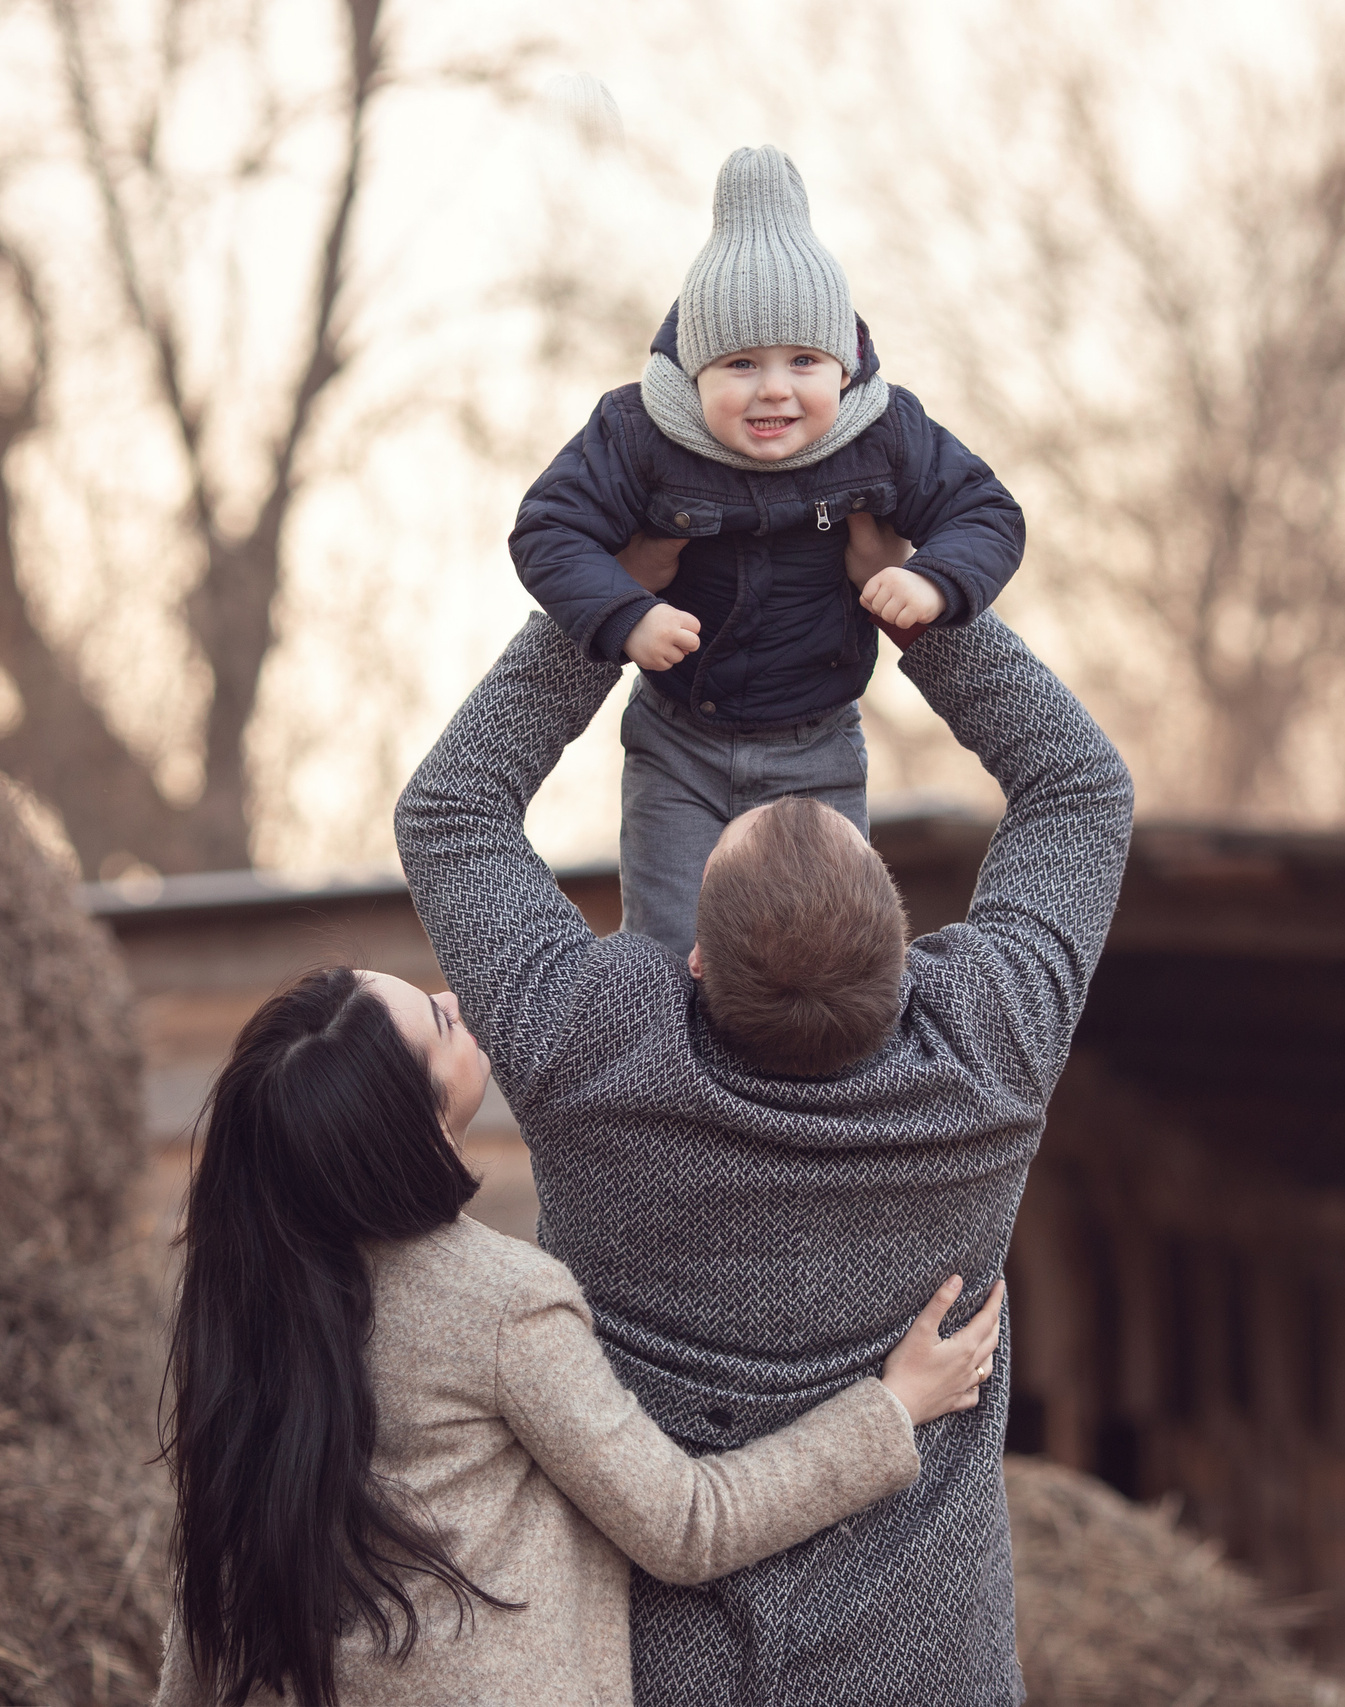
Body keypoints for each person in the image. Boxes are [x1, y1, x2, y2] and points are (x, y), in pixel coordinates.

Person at [395, 599, 1133, 1703]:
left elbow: (450, 811)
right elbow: (1084, 789)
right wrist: (923, 606)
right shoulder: (987, 1048)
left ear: (693, 961)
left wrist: (604, 603)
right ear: (907, 949)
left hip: (660, 1665)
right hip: (922, 1672)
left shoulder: (591, 1045)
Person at [150, 964, 1006, 1707]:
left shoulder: (241, 1298)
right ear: (411, 1121)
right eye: (442, 1022)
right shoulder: (500, 1302)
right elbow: (684, 1523)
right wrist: (893, 1408)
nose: (458, 999)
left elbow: (208, 1602)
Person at [509, 143, 1026, 956]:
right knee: (671, 953)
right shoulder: (640, 434)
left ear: (844, 364)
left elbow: (987, 510)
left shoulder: (884, 434)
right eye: (741, 363)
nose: (775, 388)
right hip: (679, 739)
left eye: (804, 361)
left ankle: (823, 1078)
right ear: (694, 368)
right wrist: (624, 613)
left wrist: (932, 582)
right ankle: (670, 1077)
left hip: (816, 745)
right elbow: (547, 526)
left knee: (824, 950)